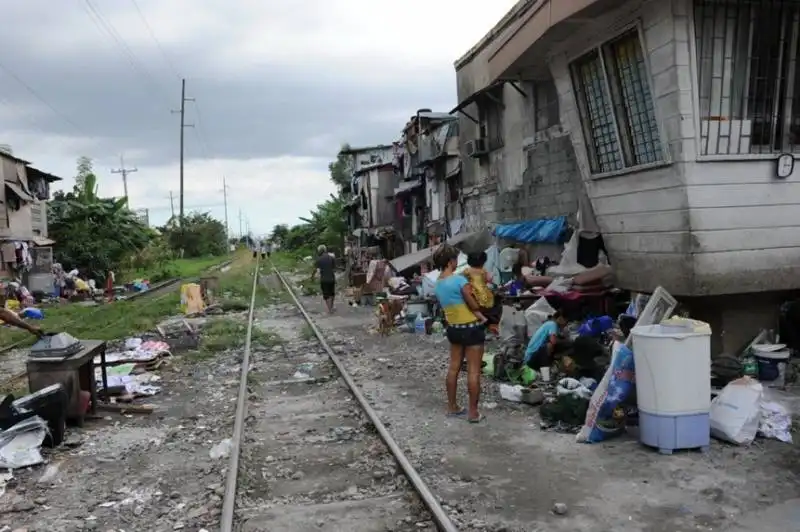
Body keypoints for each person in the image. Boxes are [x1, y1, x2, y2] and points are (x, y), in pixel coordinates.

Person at [433, 243, 486, 424]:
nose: (456, 262)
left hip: (453, 329)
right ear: (450, 262)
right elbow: (472, 304)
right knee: (473, 371)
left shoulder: (438, 284)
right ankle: (473, 413)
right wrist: (480, 310)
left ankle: (452, 406)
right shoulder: (459, 281)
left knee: (453, 368)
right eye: (455, 259)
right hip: (471, 328)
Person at [463, 252, 501, 335]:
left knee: (472, 307)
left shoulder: (467, 271)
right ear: (483, 262)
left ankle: (482, 319)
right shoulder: (483, 271)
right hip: (485, 295)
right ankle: (485, 321)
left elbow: (464, 282)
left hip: (474, 294)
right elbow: (488, 280)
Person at [310, 244, 336, 314]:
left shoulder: (319, 259)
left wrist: (312, 277)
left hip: (324, 279)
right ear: (325, 250)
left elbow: (316, 270)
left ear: (320, 251)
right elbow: (334, 268)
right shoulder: (331, 258)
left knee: (326, 295)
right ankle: (332, 307)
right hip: (332, 278)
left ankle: (330, 309)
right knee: (332, 293)